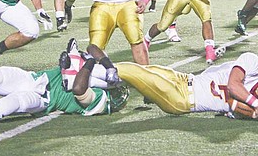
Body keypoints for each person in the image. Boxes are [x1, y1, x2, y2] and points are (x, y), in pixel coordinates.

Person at [0, 39, 129, 131]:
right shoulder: (103, 76)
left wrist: (86, 62)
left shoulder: (99, 102)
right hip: (34, 78)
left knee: (9, 105)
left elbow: (78, 87)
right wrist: (108, 66)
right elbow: (91, 47)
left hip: (42, 100)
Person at [83, 42, 258, 120]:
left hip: (182, 99)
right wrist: (253, 104)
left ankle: (77, 68)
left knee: (130, 71)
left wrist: (248, 110)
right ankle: (87, 78)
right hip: (182, 78)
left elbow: (233, 108)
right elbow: (233, 86)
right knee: (129, 75)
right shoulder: (252, 61)